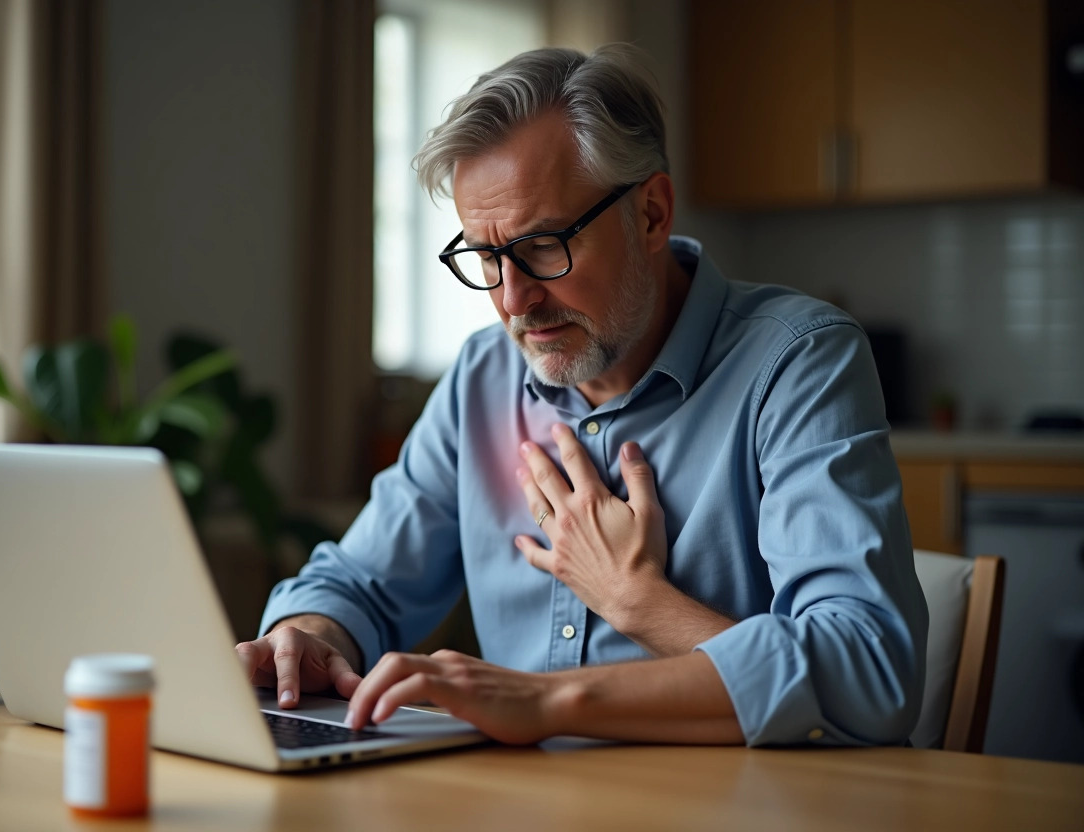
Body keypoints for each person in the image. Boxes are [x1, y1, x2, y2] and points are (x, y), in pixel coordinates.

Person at [235, 44, 928, 747]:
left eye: (543, 246)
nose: (514, 301)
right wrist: (307, 636)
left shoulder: (797, 361)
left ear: (652, 214)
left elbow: (869, 671)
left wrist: (630, 613)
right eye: (485, 256)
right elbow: (362, 583)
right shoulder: (483, 378)